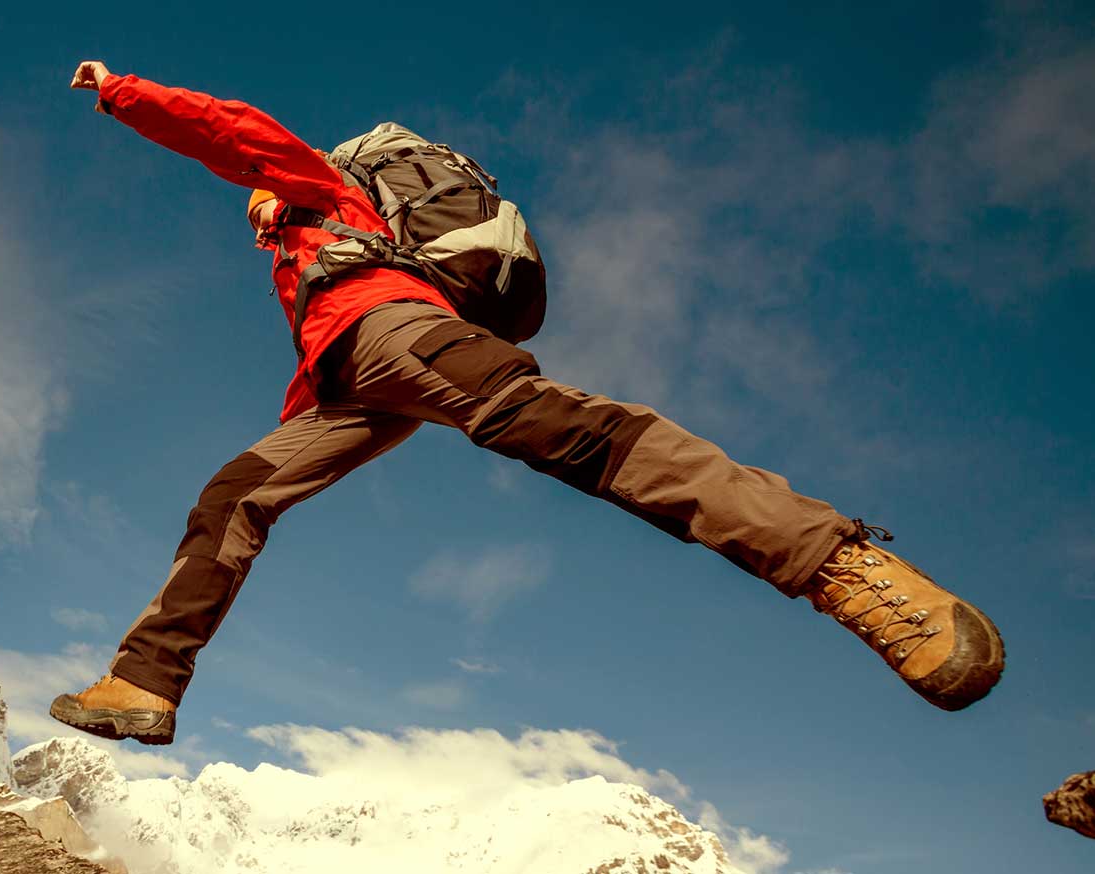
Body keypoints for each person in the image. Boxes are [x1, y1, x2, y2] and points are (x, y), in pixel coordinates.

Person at [50, 60, 1004, 745]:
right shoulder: (296, 259)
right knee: (235, 495)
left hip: (400, 336)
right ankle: (142, 682)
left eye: (259, 201)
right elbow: (322, 323)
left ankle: (840, 567)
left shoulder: (323, 189)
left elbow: (230, 129)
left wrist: (122, 92)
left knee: (570, 432)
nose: (253, 210)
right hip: (346, 387)